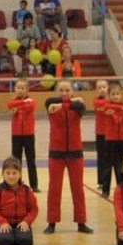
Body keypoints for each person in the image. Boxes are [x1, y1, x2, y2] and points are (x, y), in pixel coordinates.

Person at [43, 79, 91, 234]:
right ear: (57, 91)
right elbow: (49, 103)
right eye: (61, 90)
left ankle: (81, 222)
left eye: (67, 90)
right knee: (54, 189)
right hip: (56, 152)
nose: (64, 93)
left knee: (77, 188)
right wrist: (67, 103)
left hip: (75, 152)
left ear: (72, 92)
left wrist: (67, 103)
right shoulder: (51, 104)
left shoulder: (78, 107)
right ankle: (52, 222)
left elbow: (81, 107)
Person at [0, 157, 37, 245]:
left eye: (14, 173)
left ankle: (18, 236)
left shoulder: (26, 190)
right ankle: (9, 236)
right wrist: (2, 222)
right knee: (4, 243)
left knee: (25, 243)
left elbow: (33, 209)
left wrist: (26, 221)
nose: (11, 176)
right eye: (8, 173)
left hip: (22, 223)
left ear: (20, 174)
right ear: (3, 174)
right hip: (4, 224)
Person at [7, 77, 39, 192]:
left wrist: (19, 106)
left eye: (23, 88)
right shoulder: (13, 101)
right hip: (16, 135)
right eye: (18, 88)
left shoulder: (32, 101)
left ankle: (34, 185)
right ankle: (17, 184)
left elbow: (31, 106)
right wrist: (22, 103)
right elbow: (10, 104)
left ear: (27, 90)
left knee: (31, 160)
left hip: (29, 134)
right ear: (15, 89)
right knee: (16, 161)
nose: (20, 90)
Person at [91, 79, 111, 196]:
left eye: (104, 86)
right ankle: (101, 181)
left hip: (111, 134)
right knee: (101, 158)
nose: (102, 89)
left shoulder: (111, 100)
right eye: (99, 87)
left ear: (107, 87)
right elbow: (104, 107)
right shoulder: (96, 101)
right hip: (100, 133)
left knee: (110, 159)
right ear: (96, 90)